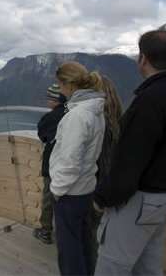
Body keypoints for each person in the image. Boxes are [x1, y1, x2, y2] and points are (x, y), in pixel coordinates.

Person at [93, 28, 166, 276]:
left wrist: (102, 198)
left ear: (143, 59)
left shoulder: (149, 101)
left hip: (141, 202)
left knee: (111, 267)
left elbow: (128, 162)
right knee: (148, 265)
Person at [49, 61, 106, 276]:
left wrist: (57, 190)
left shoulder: (77, 116)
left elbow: (70, 161)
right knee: (84, 242)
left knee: (69, 250)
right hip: (86, 188)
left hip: (70, 193)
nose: (59, 89)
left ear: (68, 84)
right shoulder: (95, 110)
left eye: (60, 84)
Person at [88, 76, 123, 272]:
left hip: (96, 191)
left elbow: (99, 161)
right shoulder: (120, 122)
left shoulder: (97, 125)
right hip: (114, 191)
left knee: (92, 238)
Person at [33, 83, 66, 244]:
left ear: (55, 100)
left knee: (48, 198)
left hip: (52, 165)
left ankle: (45, 231)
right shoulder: (73, 113)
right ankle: (65, 232)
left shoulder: (50, 118)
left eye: (49, 97)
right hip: (69, 167)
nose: (47, 100)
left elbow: (42, 134)